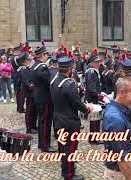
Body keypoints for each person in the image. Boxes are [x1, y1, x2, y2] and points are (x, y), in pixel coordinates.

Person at [50, 52, 92, 180]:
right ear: (70, 69)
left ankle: (67, 168)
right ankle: (69, 175)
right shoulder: (69, 84)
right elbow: (78, 103)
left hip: (57, 119)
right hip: (69, 122)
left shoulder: (54, 81)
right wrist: (87, 109)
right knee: (70, 149)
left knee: (63, 147)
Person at [102, 76, 131, 180]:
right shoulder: (116, 120)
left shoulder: (119, 107)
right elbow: (121, 158)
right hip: (120, 174)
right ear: (121, 92)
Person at [30, 42, 55, 152]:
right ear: (42, 55)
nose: (47, 57)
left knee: (41, 121)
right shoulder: (42, 67)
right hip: (45, 98)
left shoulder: (35, 66)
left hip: (39, 97)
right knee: (46, 122)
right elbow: (49, 81)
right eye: (46, 54)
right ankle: (45, 145)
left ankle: (42, 143)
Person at [85, 48, 103, 144]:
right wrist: (100, 96)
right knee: (95, 120)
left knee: (94, 120)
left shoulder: (92, 71)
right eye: (96, 62)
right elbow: (92, 89)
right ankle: (94, 139)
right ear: (92, 63)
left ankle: (93, 138)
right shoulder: (91, 72)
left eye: (99, 61)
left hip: (92, 98)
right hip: (93, 99)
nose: (98, 63)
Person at [17, 52, 38, 134]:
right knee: (29, 112)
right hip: (29, 94)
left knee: (34, 111)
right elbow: (27, 83)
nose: (29, 59)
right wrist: (36, 87)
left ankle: (33, 126)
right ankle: (29, 128)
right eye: (28, 58)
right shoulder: (23, 70)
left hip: (33, 94)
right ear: (25, 60)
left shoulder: (27, 68)